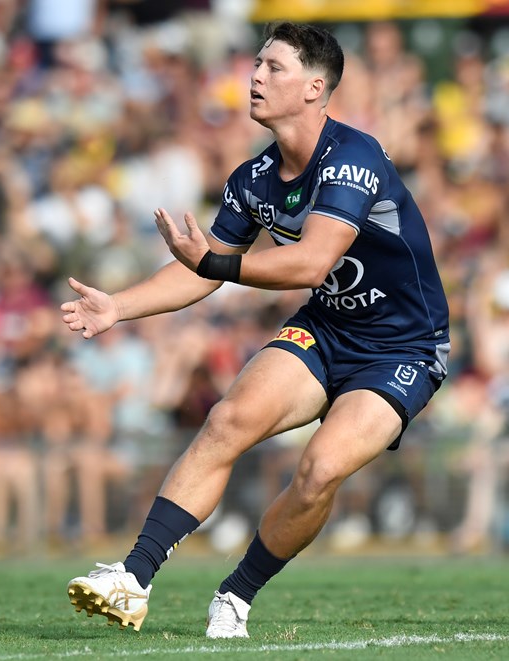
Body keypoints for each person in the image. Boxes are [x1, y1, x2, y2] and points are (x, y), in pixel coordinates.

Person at [61, 21, 450, 638]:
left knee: (319, 471)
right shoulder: (253, 178)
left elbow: (310, 263)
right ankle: (132, 579)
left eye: (274, 67)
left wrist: (214, 264)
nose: (256, 76)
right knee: (226, 421)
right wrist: (118, 306)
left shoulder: (353, 157)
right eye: (257, 64)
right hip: (327, 328)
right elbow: (201, 269)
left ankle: (236, 595)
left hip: (403, 348)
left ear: (314, 87)